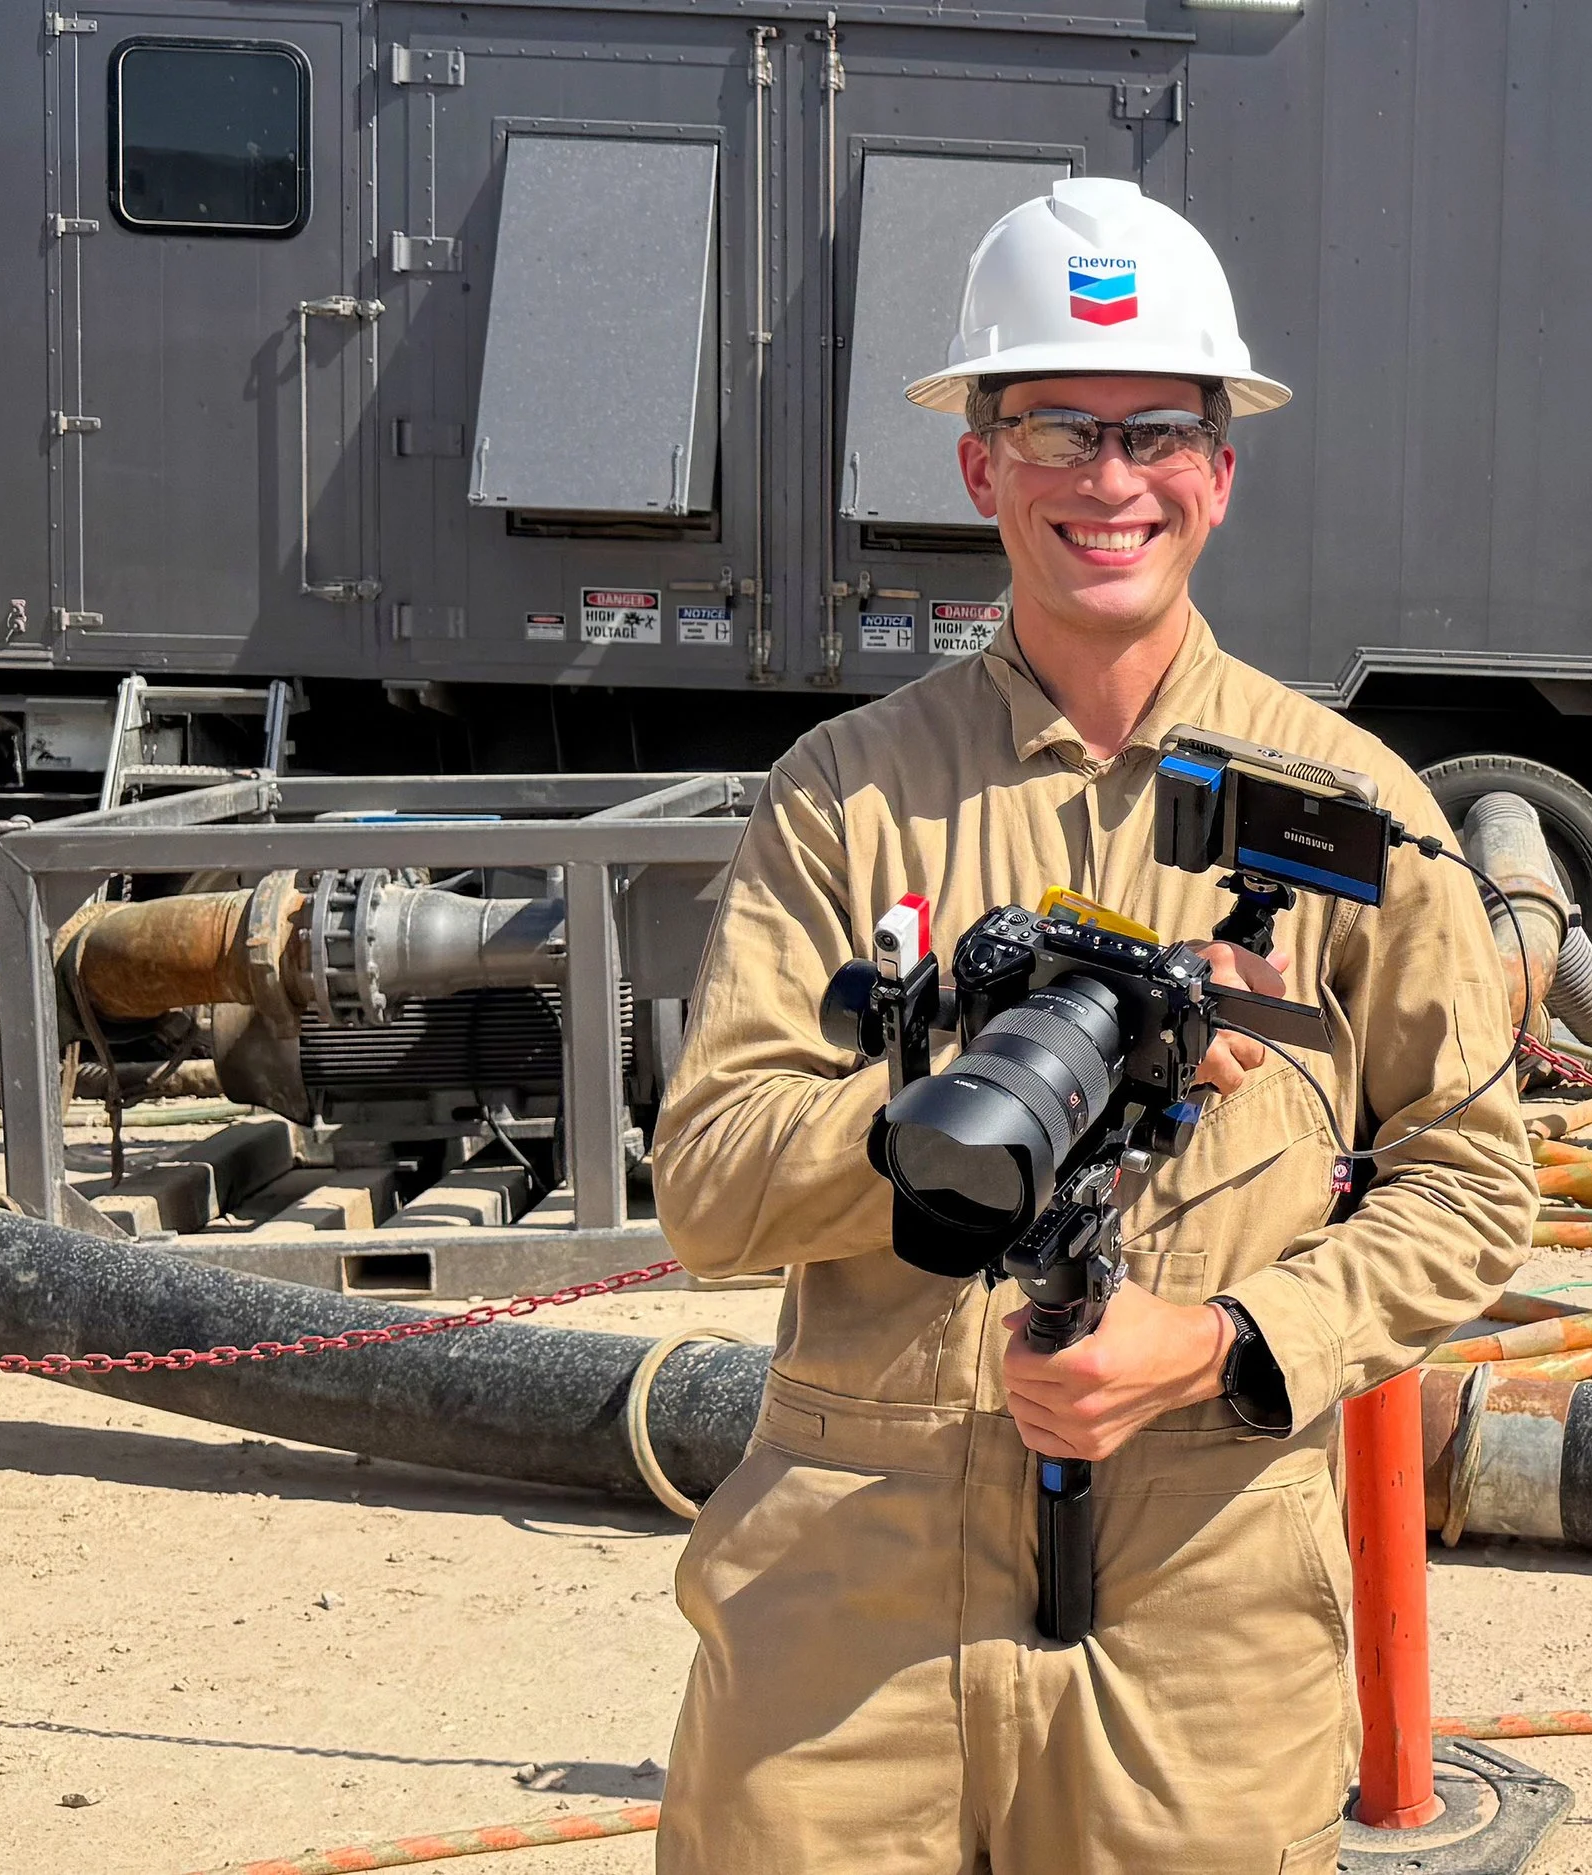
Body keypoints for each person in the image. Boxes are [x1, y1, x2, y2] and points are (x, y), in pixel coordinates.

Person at [650, 175, 1536, 1875]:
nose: (1108, 480)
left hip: (1201, 1575)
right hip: (851, 1577)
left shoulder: (1350, 812)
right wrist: (968, 1116)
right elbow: (706, 1183)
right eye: (1055, 426)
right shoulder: (846, 799)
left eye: (1157, 431)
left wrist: (1226, 1344)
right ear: (979, 465)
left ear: (1221, 467)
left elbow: (1477, 1186)